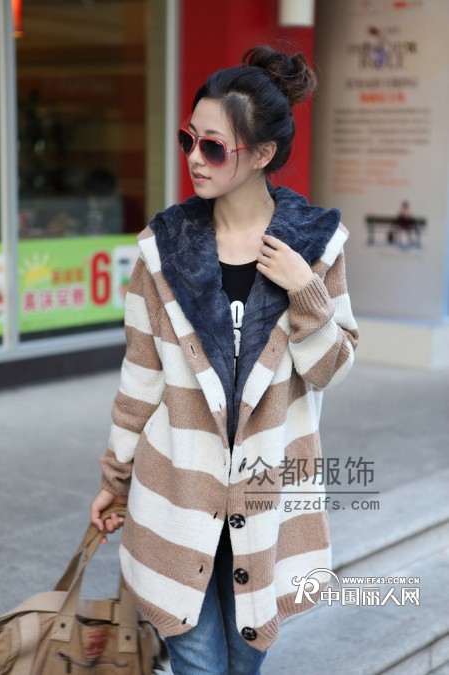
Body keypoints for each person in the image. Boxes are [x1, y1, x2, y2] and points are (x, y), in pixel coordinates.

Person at [91, 44, 359, 675]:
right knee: (200, 664)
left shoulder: (315, 246)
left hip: (265, 504)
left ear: (262, 154)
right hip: (178, 495)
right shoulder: (164, 249)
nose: (193, 158)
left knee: (245, 661)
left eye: (213, 147)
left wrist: (306, 291)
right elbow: (140, 380)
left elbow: (332, 369)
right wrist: (114, 479)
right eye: (189, 140)